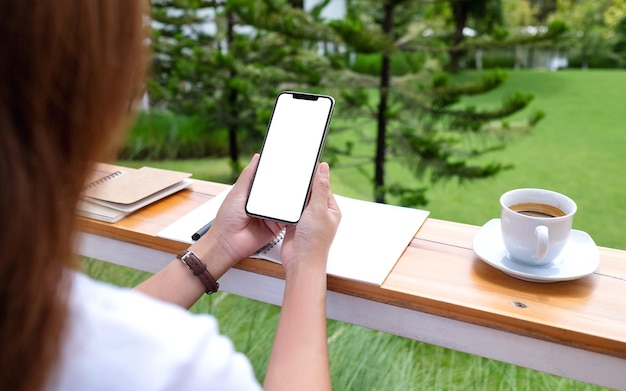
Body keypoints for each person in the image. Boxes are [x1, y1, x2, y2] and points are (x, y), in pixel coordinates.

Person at [0, 2, 341, 391]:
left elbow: (103, 329)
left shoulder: (38, 316)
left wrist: (220, 245)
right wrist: (306, 266)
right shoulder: (174, 365)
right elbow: (108, 340)